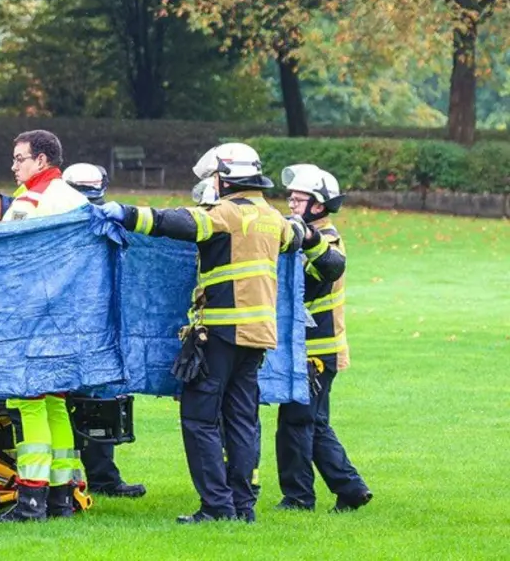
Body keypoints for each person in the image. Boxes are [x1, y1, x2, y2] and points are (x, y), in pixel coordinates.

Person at [101, 142, 316, 523]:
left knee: (200, 419)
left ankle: (216, 507)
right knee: (241, 421)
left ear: (226, 177)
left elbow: (178, 222)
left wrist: (127, 214)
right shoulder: (272, 218)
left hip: (219, 333)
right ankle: (243, 507)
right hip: (258, 337)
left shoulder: (227, 214)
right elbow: (296, 238)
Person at [0, 130, 90, 522]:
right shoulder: (77, 198)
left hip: (32, 316)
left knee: (30, 404)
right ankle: (61, 499)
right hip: (69, 319)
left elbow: (8, 256)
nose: (14, 166)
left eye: (20, 158)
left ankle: (31, 502)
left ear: (42, 161)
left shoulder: (29, 202)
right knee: (56, 405)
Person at [275, 164, 373, 513]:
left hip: (316, 351)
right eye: (290, 197)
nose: (290, 204)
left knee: (296, 424)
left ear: (318, 206)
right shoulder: (303, 237)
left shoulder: (326, 241)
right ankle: (350, 489)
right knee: (313, 423)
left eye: (298, 199)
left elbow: (311, 281)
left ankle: (299, 498)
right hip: (312, 350)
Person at [59, 163, 147, 500]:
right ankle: (80, 479)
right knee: (73, 402)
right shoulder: (58, 221)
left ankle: (101, 478)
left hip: (96, 327)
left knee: (98, 400)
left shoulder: (107, 220)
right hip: (71, 327)